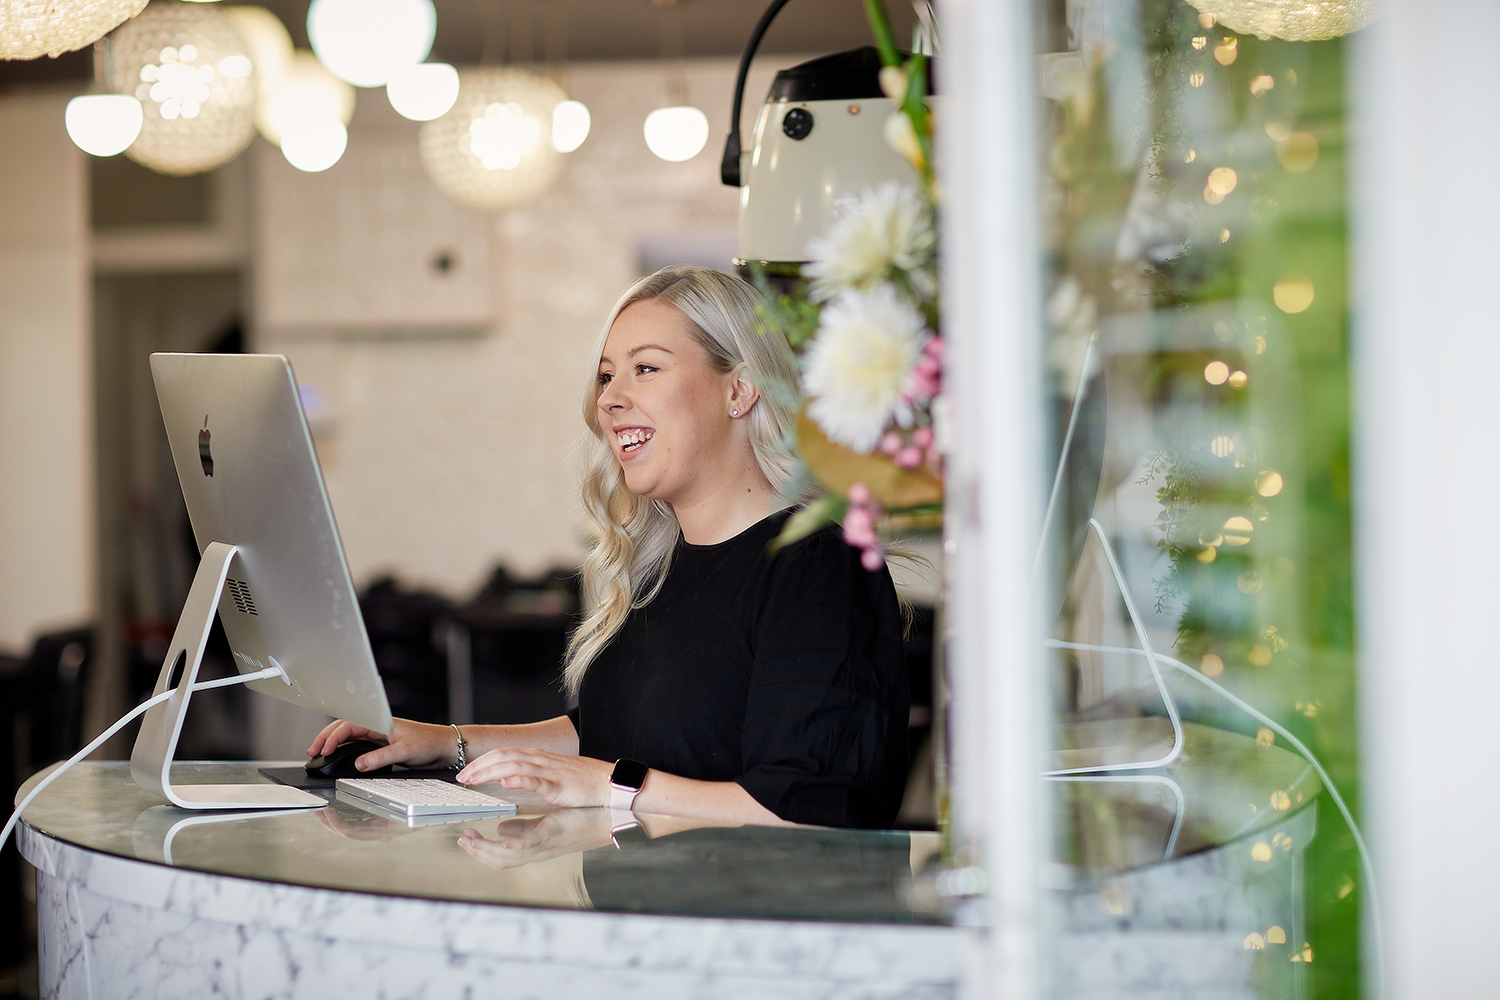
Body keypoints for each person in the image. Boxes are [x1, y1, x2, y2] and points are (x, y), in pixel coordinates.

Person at [309, 266, 909, 829]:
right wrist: (448, 741)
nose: (610, 399)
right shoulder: (657, 567)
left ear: (741, 390)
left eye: (645, 369)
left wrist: (610, 787)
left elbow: (807, 810)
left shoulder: (822, 566)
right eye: (605, 376)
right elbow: (614, 731)